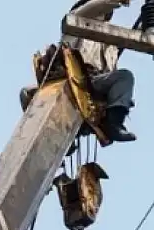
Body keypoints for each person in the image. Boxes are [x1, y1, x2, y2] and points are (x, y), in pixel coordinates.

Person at [19, 0, 136, 142]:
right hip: (75, 76)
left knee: (124, 77)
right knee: (27, 92)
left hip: (94, 84)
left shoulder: (110, 41)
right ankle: (52, 134)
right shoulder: (77, 19)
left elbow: (112, 74)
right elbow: (96, 6)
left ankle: (114, 124)